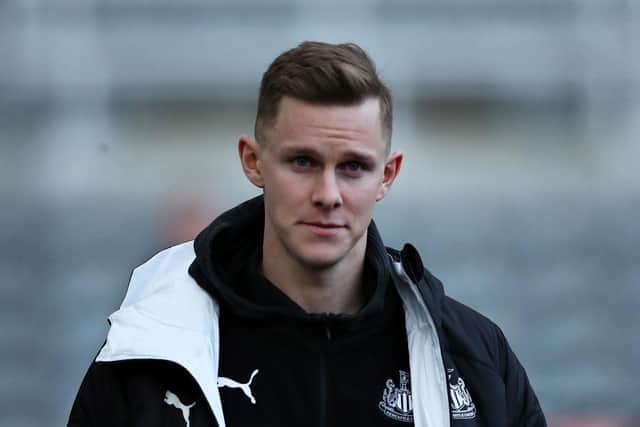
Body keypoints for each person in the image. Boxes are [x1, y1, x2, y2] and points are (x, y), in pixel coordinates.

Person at [68, 41, 546, 427]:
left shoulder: (474, 359)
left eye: (354, 167)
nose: (327, 193)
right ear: (253, 162)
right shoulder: (149, 357)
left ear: (388, 174)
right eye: (303, 162)